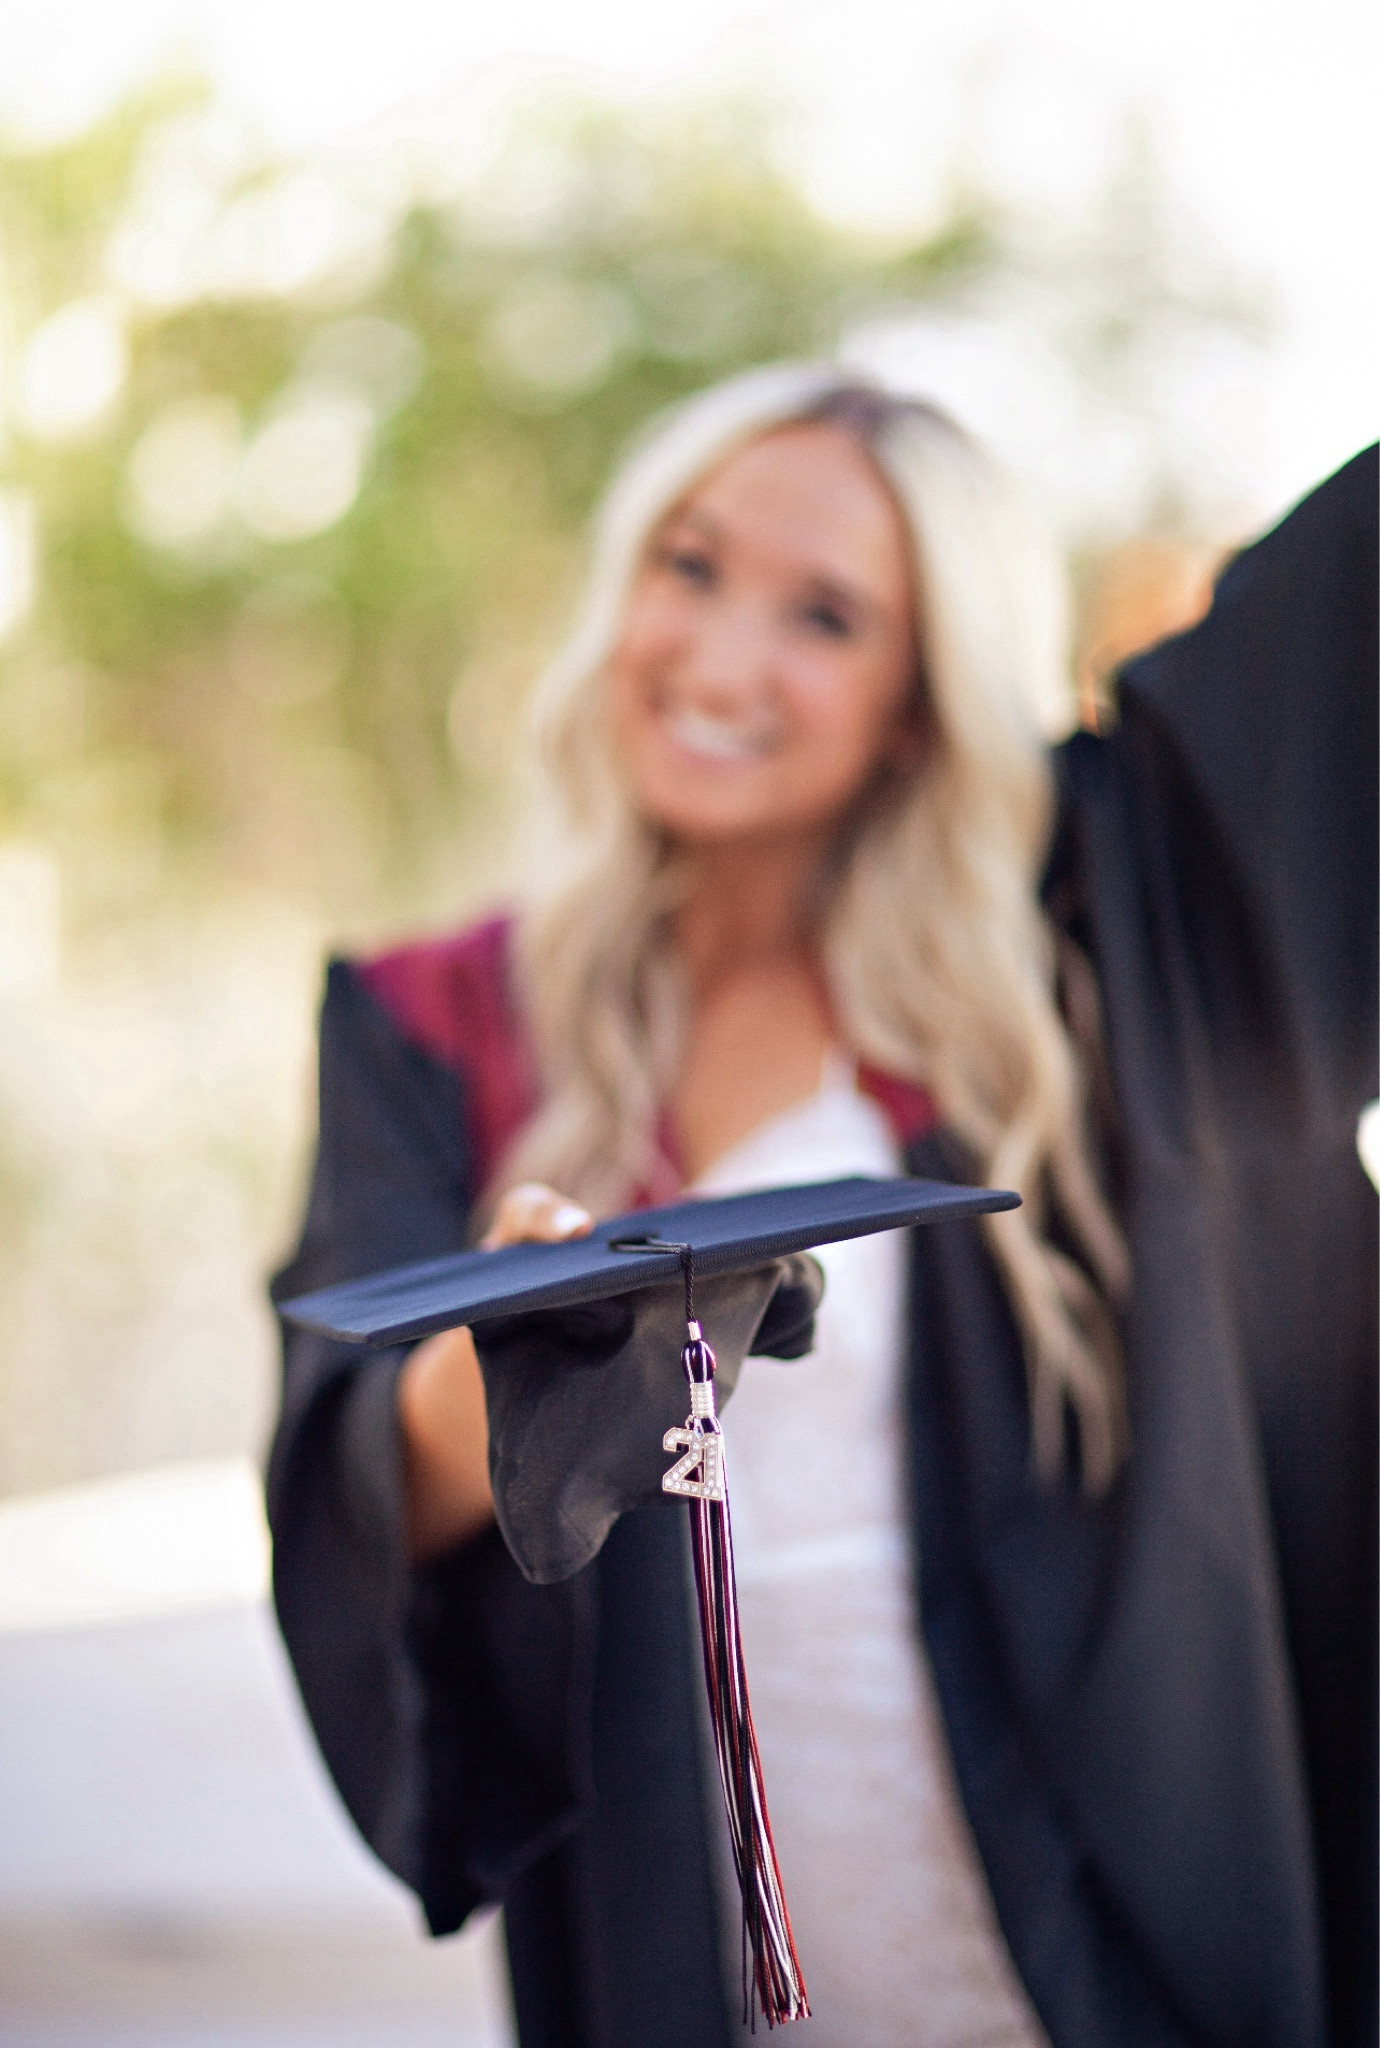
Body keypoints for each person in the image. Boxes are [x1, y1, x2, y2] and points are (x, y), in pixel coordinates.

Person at [268, 365, 1377, 2048]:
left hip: (1105, 1949)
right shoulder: (446, 1025)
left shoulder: (1088, 942)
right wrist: (511, 1344)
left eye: (826, 616)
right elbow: (350, 1462)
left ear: (923, 689)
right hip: (697, 1953)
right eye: (690, 566)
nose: (718, 659)